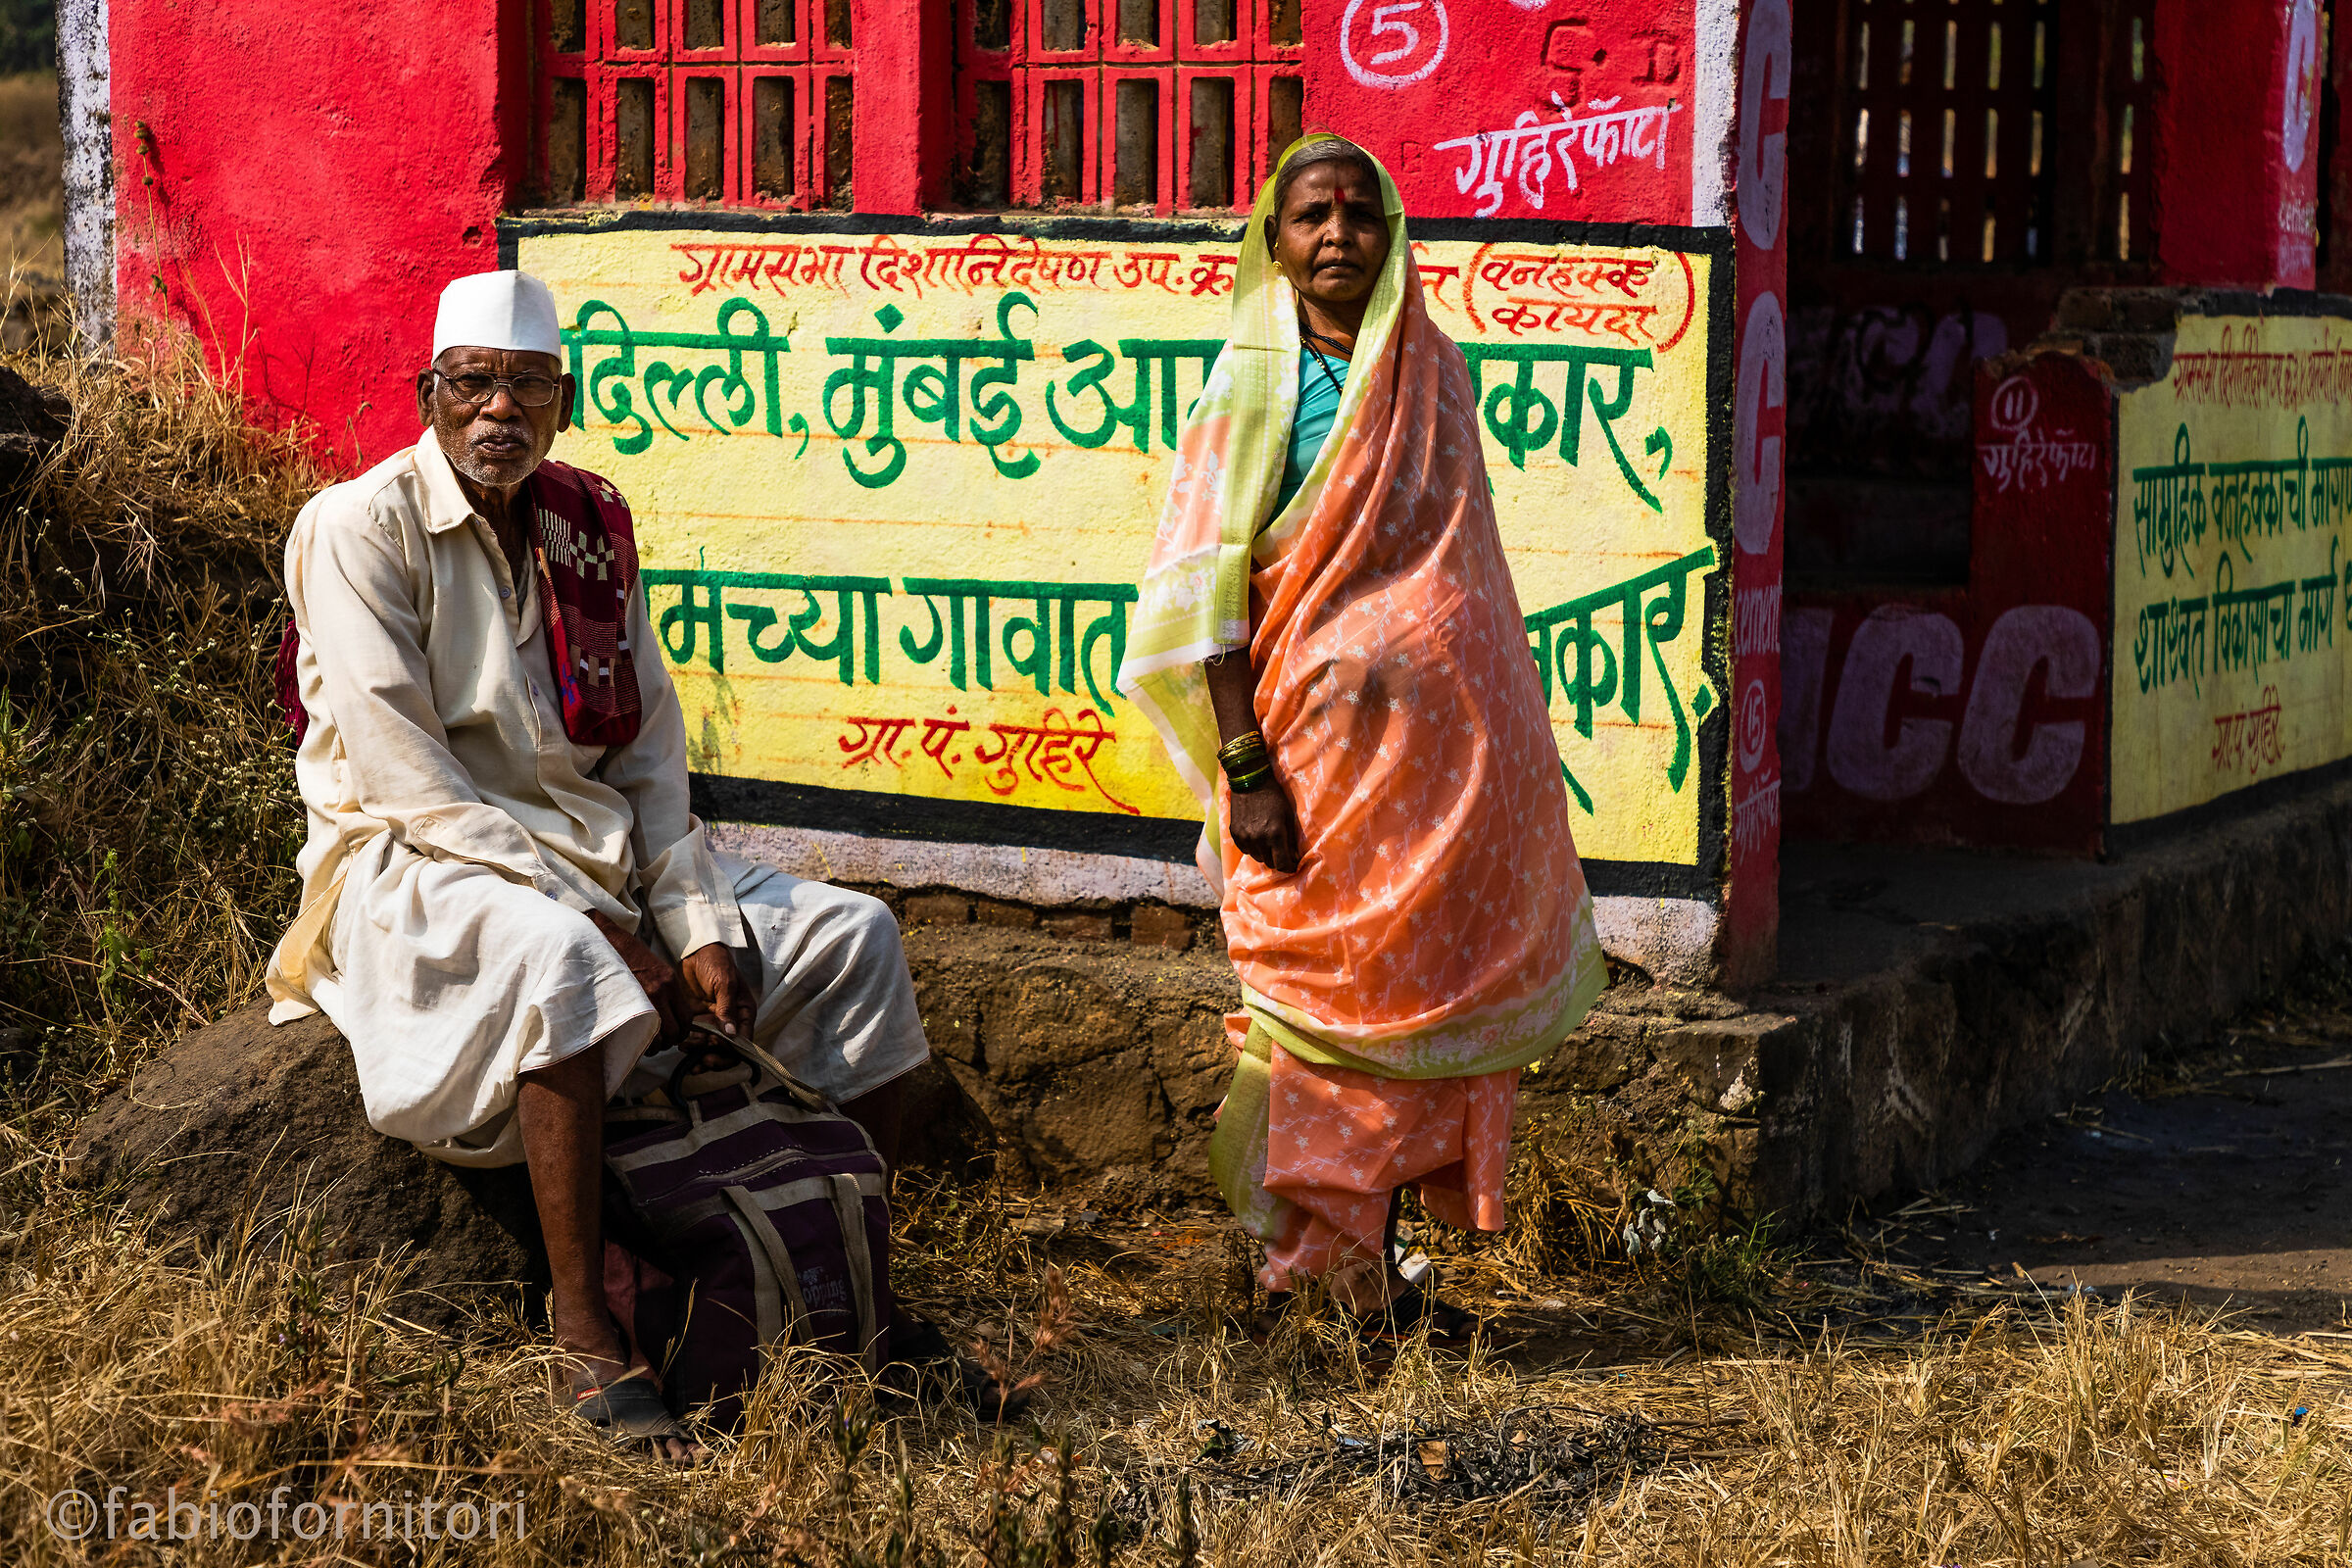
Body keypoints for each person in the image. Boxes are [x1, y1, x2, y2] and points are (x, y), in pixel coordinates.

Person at [267, 270, 930, 1457]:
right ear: (430, 392)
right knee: (565, 959)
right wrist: (613, 928)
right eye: (473, 384)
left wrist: (693, 919)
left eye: (525, 385)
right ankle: (584, 1331)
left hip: (599, 857)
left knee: (859, 938)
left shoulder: (587, 524)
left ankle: (860, 1283)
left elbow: (652, 754)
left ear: (561, 401)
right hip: (418, 862)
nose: (497, 411)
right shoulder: (357, 526)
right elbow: (409, 778)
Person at [1118, 137, 1608, 1335]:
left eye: (1359, 215)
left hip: (1436, 784)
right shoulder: (1252, 384)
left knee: (1414, 1014)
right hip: (1311, 760)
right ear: (1273, 244)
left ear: (1391, 236)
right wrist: (1247, 770)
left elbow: (1469, 566)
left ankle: (1371, 1280)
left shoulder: (1430, 370)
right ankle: (1311, 1289)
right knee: (1322, 1018)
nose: (1337, 236)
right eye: (1309, 218)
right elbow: (1209, 588)